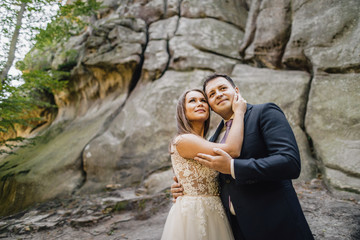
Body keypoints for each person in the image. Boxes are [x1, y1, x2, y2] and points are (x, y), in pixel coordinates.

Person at [171, 74, 314, 240]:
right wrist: (184, 188)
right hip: (234, 229)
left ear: (236, 91)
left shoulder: (264, 112)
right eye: (211, 94)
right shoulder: (213, 138)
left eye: (223, 88)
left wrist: (233, 167)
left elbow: (290, 162)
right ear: (210, 105)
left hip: (276, 224)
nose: (218, 94)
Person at [161, 88, 247, 240]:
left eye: (203, 101)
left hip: (215, 212)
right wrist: (239, 113)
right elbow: (232, 150)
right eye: (192, 101)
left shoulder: (207, 142)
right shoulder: (184, 140)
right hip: (193, 214)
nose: (199, 104)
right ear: (183, 110)